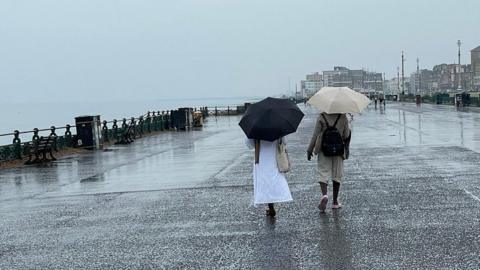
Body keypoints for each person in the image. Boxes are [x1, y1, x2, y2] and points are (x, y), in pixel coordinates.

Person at [307, 112, 351, 213]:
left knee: (323, 173)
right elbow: (346, 135)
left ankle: (325, 195)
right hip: (338, 150)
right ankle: (335, 202)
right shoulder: (343, 116)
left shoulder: (322, 116)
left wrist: (310, 150)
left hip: (324, 149)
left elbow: (315, 135)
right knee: (337, 175)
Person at [246, 138, 293, 217]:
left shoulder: (256, 129)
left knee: (264, 182)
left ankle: (270, 205)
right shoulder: (277, 127)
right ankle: (271, 205)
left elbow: (249, 145)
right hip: (274, 157)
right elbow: (284, 142)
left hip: (261, 159)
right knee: (273, 180)